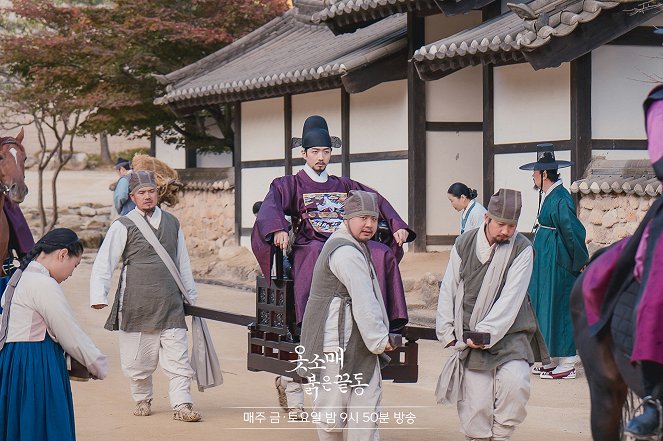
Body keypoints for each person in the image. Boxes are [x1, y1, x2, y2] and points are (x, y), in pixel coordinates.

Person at [252, 115, 414, 414]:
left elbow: (375, 200)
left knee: (381, 253)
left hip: (348, 242)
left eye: (326, 152)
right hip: (310, 244)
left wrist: (397, 224)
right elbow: (272, 206)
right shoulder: (288, 183)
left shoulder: (344, 183)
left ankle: (387, 316)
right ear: (304, 154)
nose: (321, 158)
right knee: (315, 253)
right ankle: (308, 318)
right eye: (315, 152)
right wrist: (276, 229)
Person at [436, 188, 549, 441]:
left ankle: (502, 436)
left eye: (512, 226)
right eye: (501, 224)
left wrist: (485, 333)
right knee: (476, 404)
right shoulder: (464, 244)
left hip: (510, 332)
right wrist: (447, 331)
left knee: (516, 383)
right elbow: (450, 287)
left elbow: (511, 299)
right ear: (487, 217)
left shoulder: (522, 249)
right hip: (469, 333)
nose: (506, 232)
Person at [89, 170, 202, 422]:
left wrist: (190, 296)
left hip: (170, 302)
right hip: (136, 303)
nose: (147, 196)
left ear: (158, 193)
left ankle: (182, 404)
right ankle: (142, 398)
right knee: (137, 360)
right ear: (133, 196)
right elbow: (104, 262)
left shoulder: (172, 223)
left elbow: (182, 261)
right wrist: (99, 294)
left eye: (151, 191)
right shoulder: (123, 225)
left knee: (178, 360)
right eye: (141, 193)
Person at [297, 190, 394, 441]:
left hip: (353, 339)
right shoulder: (345, 251)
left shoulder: (355, 245)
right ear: (347, 217)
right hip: (333, 342)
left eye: (373, 219)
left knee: (362, 410)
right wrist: (379, 339)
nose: (370, 225)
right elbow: (363, 299)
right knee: (332, 414)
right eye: (363, 218)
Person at [0, 228, 108, 441]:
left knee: (20, 424)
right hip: (35, 363)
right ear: (62, 254)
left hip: (12, 361)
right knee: (43, 424)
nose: (71, 273)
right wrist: (97, 363)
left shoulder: (19, 278)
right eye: (74, 266)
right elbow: (69, 332)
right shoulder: (43, 284)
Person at [519, 145, 588, 380]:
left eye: (535, 172)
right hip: (548, 262)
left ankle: (568, 362)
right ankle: (553, 358)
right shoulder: (551, 196)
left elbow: (572, 231)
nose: (533, 176)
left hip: (560, 263)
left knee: (560, 306)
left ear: (544, 174)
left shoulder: (561, 198)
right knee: (547, 306)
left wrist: (579, 260)